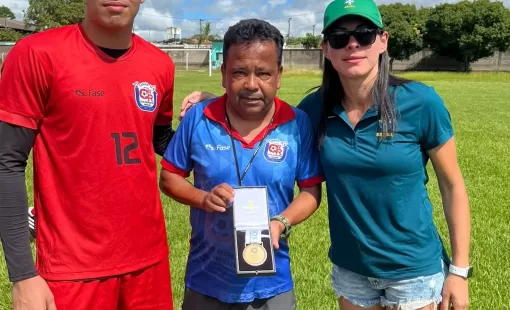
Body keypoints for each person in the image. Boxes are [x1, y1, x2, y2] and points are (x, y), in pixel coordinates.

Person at [179, 1, 472, 309]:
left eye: (365, 34)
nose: (353, 44)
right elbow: (271, 115)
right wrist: (216, 102)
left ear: (383, 41)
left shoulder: (421, 103)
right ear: (326, 49)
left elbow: (453, 187)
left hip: (413, 269)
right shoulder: (314, 110)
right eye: (339, 37)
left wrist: (459, 271)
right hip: (351, 269)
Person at [0, 0, 176, 308]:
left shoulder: (160, 64)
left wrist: (217, 114)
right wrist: (22, 275)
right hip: (71, 270)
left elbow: (162, 142)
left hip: (149, 262)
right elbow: (6, 162)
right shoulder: (36, 53)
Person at [159, 19, 323, 310]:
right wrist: (203, 198)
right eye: (239, 72)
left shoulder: (296, 124)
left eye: (263, 73)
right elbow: (169, 177)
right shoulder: (199, 118)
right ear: (223, 74)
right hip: (206, 279)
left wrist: (281, 222)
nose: (251, 84)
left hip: (273, 283)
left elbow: (311, 192)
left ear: (279, 75)